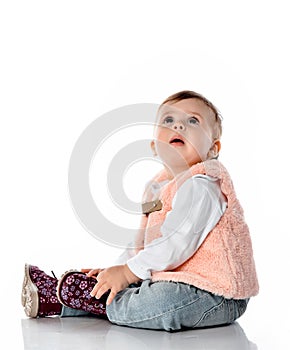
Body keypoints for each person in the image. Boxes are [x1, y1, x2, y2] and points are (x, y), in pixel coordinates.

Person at [22, 90, 259, 331]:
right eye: (168, 120)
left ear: (212, 148)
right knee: (132, 286)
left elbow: (175, 242)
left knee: (160, 301)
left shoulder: (202, 185)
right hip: (176, 280)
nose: (178, 125)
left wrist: (127, 273)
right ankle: (59, 300)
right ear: (155, 146)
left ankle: (89, 299)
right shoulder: (157, 188)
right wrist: (114, 271)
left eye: (192, 121)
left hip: (216, 295)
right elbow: (142, 243)